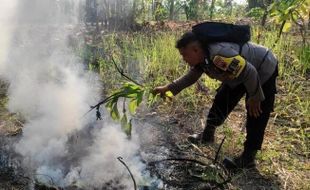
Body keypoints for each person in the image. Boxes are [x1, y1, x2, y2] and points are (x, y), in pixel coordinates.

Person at [153, 31, 278, 168]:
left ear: (195, 50)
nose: (183, 59)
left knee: (256, 111)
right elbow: (191, 77)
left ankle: (248, 157)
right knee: (222, 99)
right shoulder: (203, 57)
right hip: (238, 73)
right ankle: (207, 135)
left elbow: (250, 72)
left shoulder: (219, 56)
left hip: (262, 66)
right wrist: (168, 88)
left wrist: (255, 96)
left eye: (184, 54)